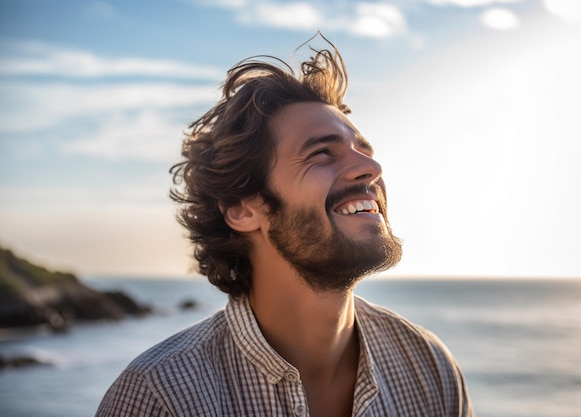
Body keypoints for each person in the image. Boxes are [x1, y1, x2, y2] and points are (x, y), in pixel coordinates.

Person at [96, 35, 474, 417]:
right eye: (322, 152)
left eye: (364, 151)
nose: (372, 169)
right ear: (243, 209)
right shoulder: (161, 397)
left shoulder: (427, 368)